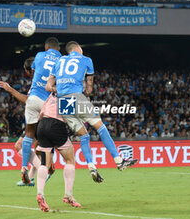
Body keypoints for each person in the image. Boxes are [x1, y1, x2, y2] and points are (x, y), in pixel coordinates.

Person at [47, 41, 138, 183]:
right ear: (77, 48)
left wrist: (58, 90)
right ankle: (118, 160)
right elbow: (89, 87)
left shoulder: (59, 61)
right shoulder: (86, 60)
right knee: (100, 127)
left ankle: (91, 166)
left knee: (84, 136)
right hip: (76, 97)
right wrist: (87, 90)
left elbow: (48, 86)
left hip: (62, 102)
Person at [20, 37, 61, 184]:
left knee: (29, 135)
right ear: (58, 49)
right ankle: (48, 166)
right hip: (48, 102)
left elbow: (33, 71)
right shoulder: (62, 60)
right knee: (48, 136)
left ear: (46, 47)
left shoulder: (38, 56)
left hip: (33, 98)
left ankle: (24, 167)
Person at [35, 93, 81, 212]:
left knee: (45, 164)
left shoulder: (51, 95)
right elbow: (68, 116)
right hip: (56, 125)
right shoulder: (68, 94)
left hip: (42, 125)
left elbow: (40, 114)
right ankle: (68, 195)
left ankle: (40, 193)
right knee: (70, 159)